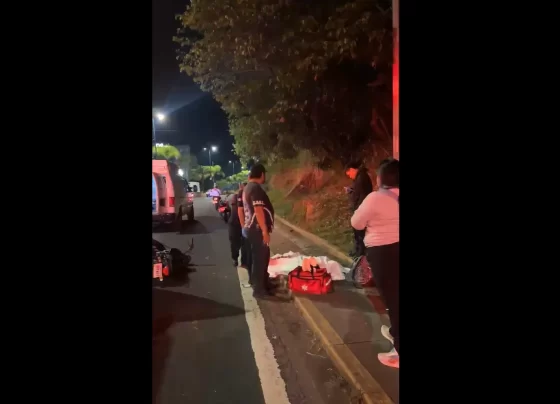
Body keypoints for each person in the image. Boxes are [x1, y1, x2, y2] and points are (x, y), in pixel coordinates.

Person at [351, 158, 399, 368]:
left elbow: (356, 222)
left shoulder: (375, 198)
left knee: (393, 298)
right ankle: (394, 331)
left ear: (382, 178)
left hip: (383, 253)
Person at [242, 164, 275, 299]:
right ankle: (259, 290)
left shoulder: (248, 187)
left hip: (252, 229)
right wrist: (264, 231)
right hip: (256, 229)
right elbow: (258, 210)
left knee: (262, 257)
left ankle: (264, 283)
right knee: (260, 259)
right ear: (262, 174)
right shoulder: (255, 188)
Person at [345, 161, 373, 257]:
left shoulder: (361, 177)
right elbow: (358, 192)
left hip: (361, 209)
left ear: (352, 169)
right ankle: (358, 250)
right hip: (359, 208)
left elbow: (363, 195)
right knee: (357, 231)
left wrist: (358, 209)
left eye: (349, 173)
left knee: (360, 231)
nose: (349, 176)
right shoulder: (359, 177)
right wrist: (351, 191)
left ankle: (361, 252)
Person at [228, 183, 249, 267]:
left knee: (245, 243)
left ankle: (244, 261)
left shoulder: (249, 197)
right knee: (234, 242)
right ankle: (235, 259)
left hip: (245, 223)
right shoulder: (235, 197)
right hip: (234, 223)